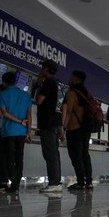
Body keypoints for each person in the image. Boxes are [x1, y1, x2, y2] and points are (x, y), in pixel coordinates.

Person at [0, 71, 32, 192]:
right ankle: (16, 182)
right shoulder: (25, 95)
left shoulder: (2, 95)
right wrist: (28, 131)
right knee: (19, 157)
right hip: (22, 132)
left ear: (3, 82)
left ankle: (14, 183)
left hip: (8, 132)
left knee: (10, 158)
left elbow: (4, 114)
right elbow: (29, 115)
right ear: (15, 81)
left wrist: (18, 121)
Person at [61, 70, 94, 190]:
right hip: (86, 129)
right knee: (85, 155)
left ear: (76, 79)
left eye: (71, 77)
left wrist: (63, 128)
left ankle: (80, 182)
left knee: (76, 156)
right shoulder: (87, 93)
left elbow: (68, 111)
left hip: (74, 129)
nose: (69, 78)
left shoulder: (71, 93)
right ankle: (89, 182)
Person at [35, 60, 63, 193]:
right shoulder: (57, 83)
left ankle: (54, 183)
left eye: (42, 67)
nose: (40, 70)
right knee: (54, 153)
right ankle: (56, 181)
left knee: (50, 153)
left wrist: (38, 84)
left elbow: (39, 100)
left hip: (48, 123)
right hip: (56, 123)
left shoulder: (48, 82)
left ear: (46, 69)